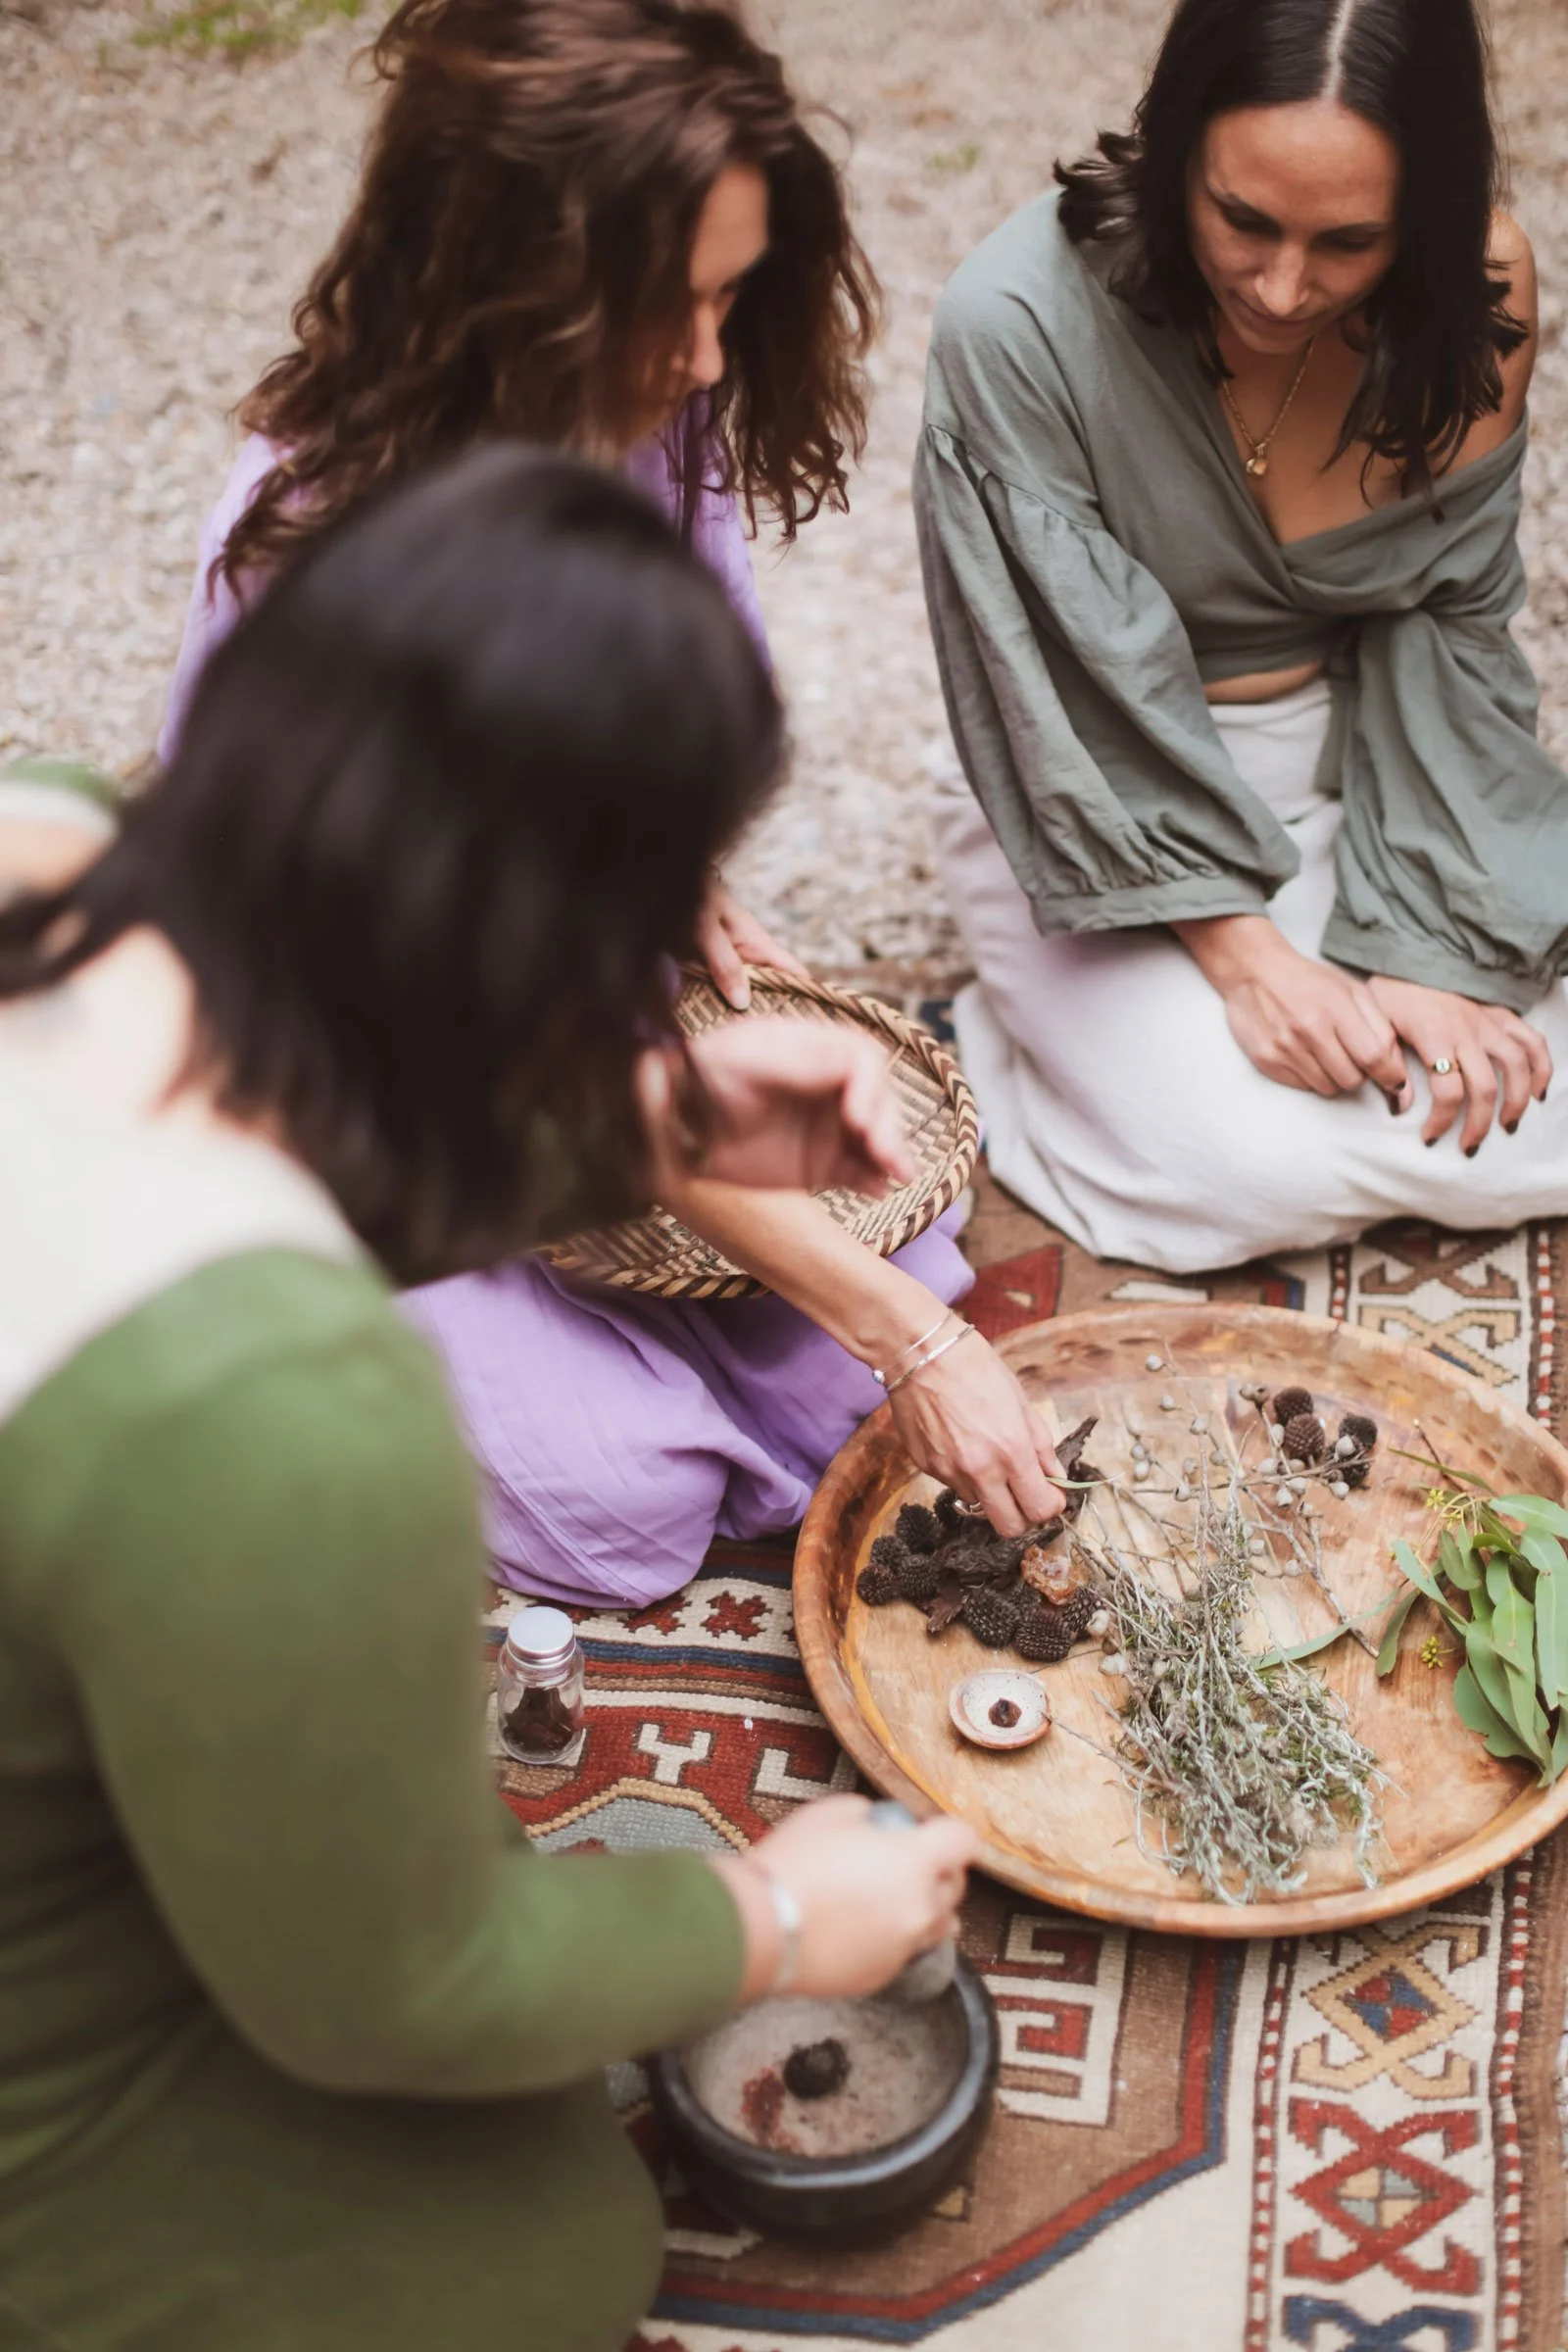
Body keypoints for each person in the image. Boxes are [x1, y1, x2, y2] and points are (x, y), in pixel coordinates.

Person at [0, 449, 978, 2352]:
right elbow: (388, 1994)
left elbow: (271, 1116)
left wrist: (645, 1126)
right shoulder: (292, 1411)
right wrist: (772, 1926)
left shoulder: (52, 843)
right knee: (537, 2254)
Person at [159, 0, 1066, 1592]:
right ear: (492, 276)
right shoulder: (323, 551)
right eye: (667, 307)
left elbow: (670, 709)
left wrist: (669, 870)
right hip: (378, 1085)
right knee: (632, 1502)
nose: (709, 359)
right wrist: (913, 1340)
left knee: (859, 1286)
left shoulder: (665, 399)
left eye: (730, 297)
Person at [914, 0, 1568, 1275]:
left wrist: (1429, 940)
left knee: (1502, 1079)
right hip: (1086, 789)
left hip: (1373, 751)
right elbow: (1056, 696)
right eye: (1244, 220)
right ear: (1174, 155)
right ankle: (1014, 1053)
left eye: (1349, 242)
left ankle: (1136, 1080)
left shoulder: (1479, 287)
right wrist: (1248, 958)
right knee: (1245, 1170)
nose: (1282, 288)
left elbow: (1454, 617)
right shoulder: (1014, 325)